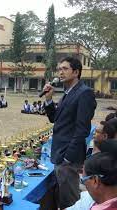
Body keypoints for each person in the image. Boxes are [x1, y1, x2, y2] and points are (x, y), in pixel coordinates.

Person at [41, 57, 97, 210]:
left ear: (76, 72)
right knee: (63, 196)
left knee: (70, 199)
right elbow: (55, 119)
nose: (60, 72)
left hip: (68, 158)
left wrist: (67, 157)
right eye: (59, 69)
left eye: (65, 69)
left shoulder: (84, 93)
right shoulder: (68, 93)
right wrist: (48, 99)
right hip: (60, 154)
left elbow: (82, 130)